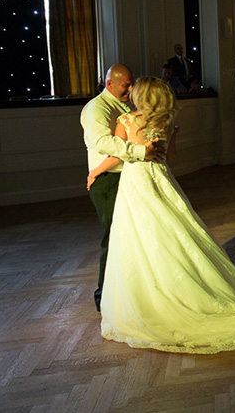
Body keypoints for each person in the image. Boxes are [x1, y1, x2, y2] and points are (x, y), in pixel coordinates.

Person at [86, 77, 235, 353]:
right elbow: (168, 158)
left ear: (141, 96)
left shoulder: (126, 121)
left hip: (135, 184)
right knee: (173, 230)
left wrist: (96, 171)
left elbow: (119, 157)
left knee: (138, 236)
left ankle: (152, 296)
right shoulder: (165, 122)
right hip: (161, 180)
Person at [80, 64, 164, 311]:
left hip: (125, 177)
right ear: (110, 85)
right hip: (107, 181)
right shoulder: (97, 108)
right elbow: (104, 143)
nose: (130, 88)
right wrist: (142, 152)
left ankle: (129, 291)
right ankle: (105, 298)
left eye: (132, 83)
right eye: (126, 84)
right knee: (113, 238)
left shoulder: (125, 107)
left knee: (128, 238)